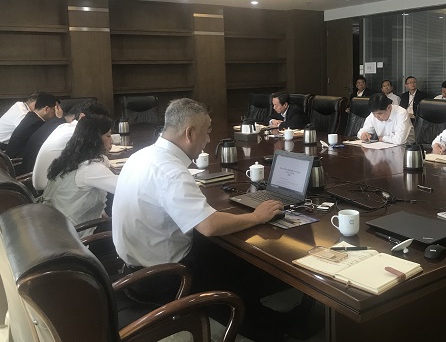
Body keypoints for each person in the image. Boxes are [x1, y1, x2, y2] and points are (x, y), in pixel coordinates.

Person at [112, 98, 297, 341]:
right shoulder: (171, 171)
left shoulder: (142, 155)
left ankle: (264, 313)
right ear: (190, 133)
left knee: (227, 255)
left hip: (135, 267)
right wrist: (256, 216)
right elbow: (209, 226)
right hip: (164, 277)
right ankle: (272, 328)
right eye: (207, 131)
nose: (209, 139)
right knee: (233, 266)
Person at [41, 114, 117, 236]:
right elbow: (125, 188)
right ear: (96, 139)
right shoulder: (90, 168)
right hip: (73, 237)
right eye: (108, 135)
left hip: (54, 228)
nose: (112, 140)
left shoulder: (71, 159)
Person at [32, 99, 110, 191]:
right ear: (82, 117)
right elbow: (93, 162)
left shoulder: (66, 127)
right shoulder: (75, 133)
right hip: (48, 188)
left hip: (48, 183)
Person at [5, 92, 61, 158]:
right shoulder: (36, 123)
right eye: (55, 110)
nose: (56, 113)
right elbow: (56, 136)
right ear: (46, 109)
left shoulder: (31, 117)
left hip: (13, 157)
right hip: (17, 160)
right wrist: (59, 118)